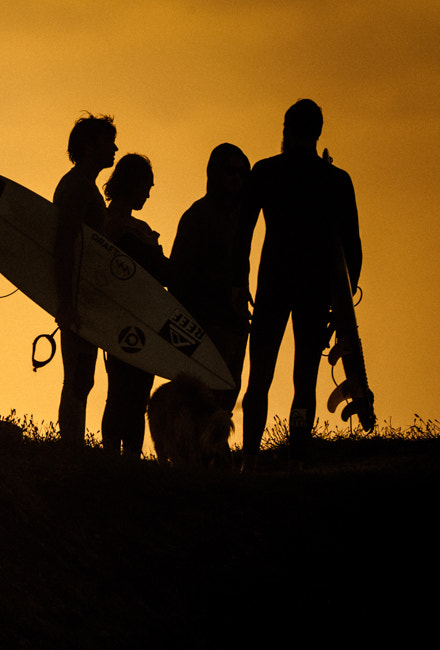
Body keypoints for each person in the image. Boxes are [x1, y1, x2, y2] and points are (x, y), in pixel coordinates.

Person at [236, 99, 362, 469]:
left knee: (258, 376)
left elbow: (243, 234)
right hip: (315, 290)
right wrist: (342, 304)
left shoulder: (265, 171)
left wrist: (238, 281)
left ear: (285, 130)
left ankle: (249, 457)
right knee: (304, 378)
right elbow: (352, 249)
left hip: (272, 283)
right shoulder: (336, 180)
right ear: (318, 131)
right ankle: (298, 456)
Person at [168, 143, 253, 412]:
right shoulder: (197, 217)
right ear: (216, 173)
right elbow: (178, 276)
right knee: (201, 403)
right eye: (230, 171)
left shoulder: (241, 218)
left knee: (226, 398)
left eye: (242, 173)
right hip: (205, 325)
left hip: (234, 323)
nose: (237, 178)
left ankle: (215, 452)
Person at [53, 113, 118, 444]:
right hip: (76, 298)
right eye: (109, 141)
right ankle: (71, 448)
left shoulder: (83, 185)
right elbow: (64, 243)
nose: (115, 148)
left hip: (84, 297)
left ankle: (73, 446)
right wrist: (66, 303)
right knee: (77, 376)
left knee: (83, 377)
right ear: (91, 146)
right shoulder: (77, 185)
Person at [99, 153, 167, 455]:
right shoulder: (114, 226)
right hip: (124, 321)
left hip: (138, 320)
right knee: (126, 394)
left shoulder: (131, 226)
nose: (150, 193)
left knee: (132, 395)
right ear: (134, 183)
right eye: (147, 185)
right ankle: (119, 459)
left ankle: (125, 460)